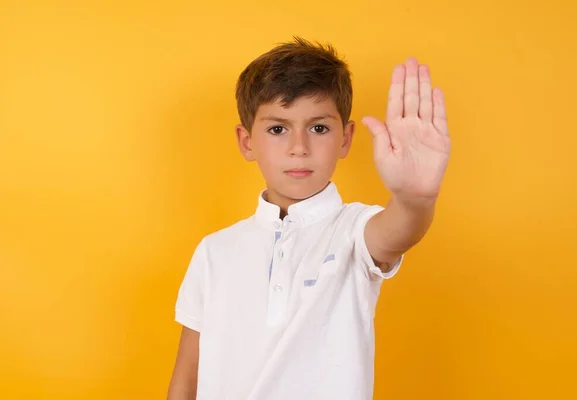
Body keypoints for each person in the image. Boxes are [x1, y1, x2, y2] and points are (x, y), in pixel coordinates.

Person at [167, 36, 451, 400]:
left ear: (346, 138)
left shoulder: (355, 230)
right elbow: (185, 381)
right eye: (277, 129)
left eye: (319, 128)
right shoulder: (214, 251)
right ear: (246, 141)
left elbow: (398, 231)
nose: (299, 147)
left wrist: (414, 199)